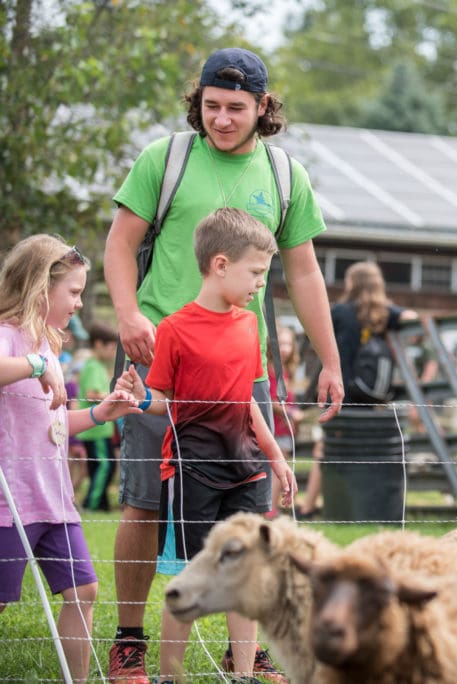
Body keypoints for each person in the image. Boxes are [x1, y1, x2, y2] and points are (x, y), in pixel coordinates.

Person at [103, 47, 343, 680]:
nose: (222, 120)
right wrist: (129, 314)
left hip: (243, 370)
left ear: (264, 107)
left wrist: (329, 357)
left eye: (236, 108)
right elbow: (120, 245)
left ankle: (247, 651)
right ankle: (130, 638)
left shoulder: (286, 175)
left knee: (245, 510)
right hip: (160, 357)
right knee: (145, 504)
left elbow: (305, 272)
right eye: (211, 106)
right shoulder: (167, 159)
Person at [116, 208, 298, 682]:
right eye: (256, 272)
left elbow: (248, 402)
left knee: (247, 575)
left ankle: (242, 673)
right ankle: (169, 677)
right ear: (220, 265)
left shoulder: (249, 326)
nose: (262, 282)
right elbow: (164, 403)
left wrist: (276, 457)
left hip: (247, 469)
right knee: (192, 578)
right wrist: (139, 399)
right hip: (191, 472)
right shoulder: (174, 329)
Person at [0, 236, 139, 683]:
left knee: (83, 591)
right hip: (10, 505)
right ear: (42, 288)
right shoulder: (8, 337)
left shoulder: (48, 344)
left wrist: (101, 412)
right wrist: (38, 366)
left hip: (55, 501)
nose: (80, 303)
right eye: (74, 292)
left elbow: (52, 426)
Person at [297, 261, 418, 521]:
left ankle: (309, 506)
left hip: (342, 394)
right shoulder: (384, 315)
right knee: (363, 451)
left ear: (351, 283)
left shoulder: (340, 312)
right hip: (372, 397)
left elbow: (314, 336)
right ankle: (358, 506)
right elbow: (412, 319)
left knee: (326, 448)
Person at [77, 321, 121, 511]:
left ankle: (100, 502)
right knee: (105, 466)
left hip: (98, 429)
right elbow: (91, 394)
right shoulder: (94, 366)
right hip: (96, 429)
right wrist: (113, 397)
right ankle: (92, 504)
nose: (113, 352)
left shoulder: (94, 365)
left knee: (100, 467)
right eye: (111, 347)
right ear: (98, 344)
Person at [267, 324, 305, 519]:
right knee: (276, 469)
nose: (284, 348)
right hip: (273, 429)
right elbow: (269, 400)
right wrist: (290, 412)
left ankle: (274, 506)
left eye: (288, 344)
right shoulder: (268, 371)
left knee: (282, 468)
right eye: (280, 343)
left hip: (285, 430)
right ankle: (270, 509)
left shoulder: (287, 372)